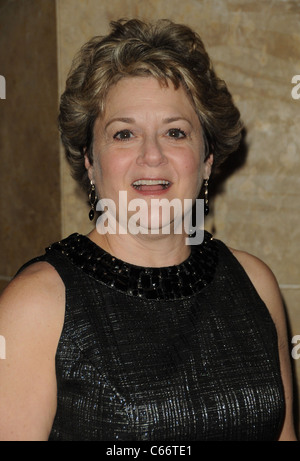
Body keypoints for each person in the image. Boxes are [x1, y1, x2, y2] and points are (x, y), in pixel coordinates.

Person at [0, 18, 297, 441]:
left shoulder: (254, 283)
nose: (152, 156)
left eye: (175, 132)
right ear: (89, 160)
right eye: (124, 134)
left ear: (208, 157)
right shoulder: (36, 306)